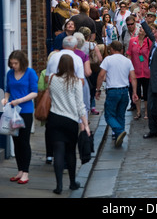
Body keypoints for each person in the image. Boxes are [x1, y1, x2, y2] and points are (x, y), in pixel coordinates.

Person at [47, 54, 90, 194]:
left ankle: (58, 185)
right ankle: (72, 183)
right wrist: (85, 124)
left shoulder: (52, 78)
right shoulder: (76, 81)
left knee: (58, 152)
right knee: (71, 152)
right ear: (72, 66)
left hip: (54, 118)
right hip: (70, 120)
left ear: (60, 65)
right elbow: (80, 105)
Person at [1, 50, 38, 184]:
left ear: (21, 62)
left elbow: (34, 93)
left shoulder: (30, 73)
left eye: (15, 63)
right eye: (11, 63)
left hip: (25, 111)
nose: (13, 66)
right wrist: (5, 99)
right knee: (16, 141)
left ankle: (26, 172)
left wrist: (20, 100)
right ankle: (20, 170)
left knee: (24, 141)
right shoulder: (10, 73)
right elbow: (8, 90)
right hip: (12, 110)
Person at [95, 41, 138, 147]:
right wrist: (135, 92)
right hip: (124, 91)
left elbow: (101, 75)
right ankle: (119, 138)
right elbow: (133, 77)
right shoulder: (127, 61)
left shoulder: (108, 59)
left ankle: (119, 131)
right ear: (122, 50)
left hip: (113, 91)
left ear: (112, 49)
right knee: (120, 115)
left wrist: (97, 89)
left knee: (109, 115)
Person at [126, 25, 151, 119]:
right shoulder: (133, 40)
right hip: (135, 71)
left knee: (146, 93)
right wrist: (128, 67)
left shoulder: (149, 41)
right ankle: (138, 112)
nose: (141, 30)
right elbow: (129, 54)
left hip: (146, 71)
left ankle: (146, 112)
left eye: (143, 29)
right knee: (135, 91)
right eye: (141, 28)